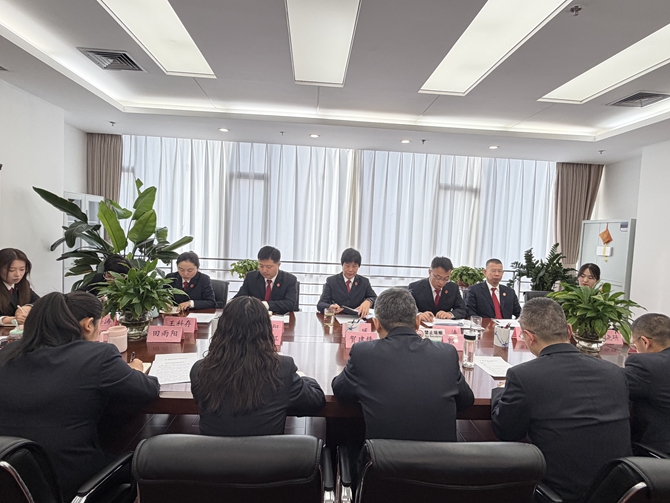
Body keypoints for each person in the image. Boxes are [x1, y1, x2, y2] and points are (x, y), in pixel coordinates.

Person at [0, 291, 159, 501]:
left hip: (11, 480)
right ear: (88, 325)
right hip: (69, 482)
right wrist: (136, 369)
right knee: (142, 462)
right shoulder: (97, 355)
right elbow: (147, 390)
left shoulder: (6, 354)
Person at [491, 297, 631, 503]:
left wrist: (499, 392)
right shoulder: (615, 372)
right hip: (620, 491)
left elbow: (507, 431)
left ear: (528, 337)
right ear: (569, 330)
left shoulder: (524, 376)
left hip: (560, 494)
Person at [332, 287, 474, 441]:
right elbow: (466, 400)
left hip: (383, 456)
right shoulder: (446, 354)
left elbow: (340, 391)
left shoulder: (363, 353)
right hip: (441, 456)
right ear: (418, 322)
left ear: (376, 324)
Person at [190, 296, 325, 436]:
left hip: (212, 450)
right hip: (267, 451)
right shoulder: (282, 368)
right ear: (266, 329)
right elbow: (315, 401)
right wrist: (302, 378)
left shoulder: (199, 370)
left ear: (221, 328)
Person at [624, 313, 670, 455]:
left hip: (658, 457)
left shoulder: (646, 365)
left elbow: (612, 384)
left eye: (634, 345)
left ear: (645, 342)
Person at [234, 246, 298, 314]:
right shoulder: (251, 277)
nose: (264, 270)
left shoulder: (289, 280)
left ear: (278, 265)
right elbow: (240, 297)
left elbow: (290, 304)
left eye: (268, 267)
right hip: (255, 317)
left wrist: (266, 305)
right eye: (261, 266)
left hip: (279, 317)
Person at [317, 248, 377, 318]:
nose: (350, 270)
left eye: (354, 266)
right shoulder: (331, 281)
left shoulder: (364, 282)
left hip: (358, 319)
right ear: (342, 265)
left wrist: (369, 301)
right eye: (347, 266)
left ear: (359, 266)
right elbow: (320, 304)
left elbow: (375, 299)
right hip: (336, 320)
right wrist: (330, 307)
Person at [409, 256, 466, 322]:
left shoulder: (453, 288)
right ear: (430, 272)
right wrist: (419, 315)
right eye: (438, 277)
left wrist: (450, 314)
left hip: (445, 326)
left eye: (446, 279)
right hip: (422, 325)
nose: (441, 282)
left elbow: (462, 310)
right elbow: (407, 310)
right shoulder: (415, 287)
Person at [0, 248, 39, 326]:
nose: (18, 274)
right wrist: (10, 320)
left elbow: (40, 302)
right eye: (11, 270)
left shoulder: (22, 284)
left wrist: (28, 307)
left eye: (22, 269)